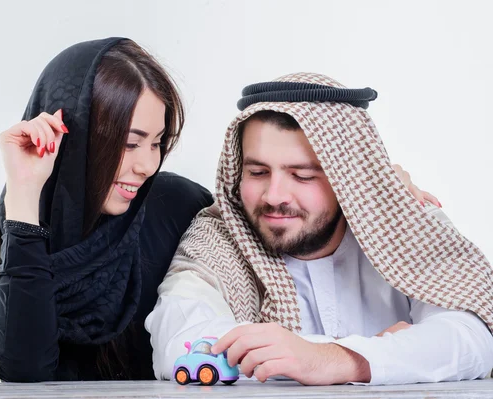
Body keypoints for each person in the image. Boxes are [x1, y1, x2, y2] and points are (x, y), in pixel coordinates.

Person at [145, 72, 493, 385]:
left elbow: (472, 339)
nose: (275, 195)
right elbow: (182, 342)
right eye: (257, 172)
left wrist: (338, 361)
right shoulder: (219, 237)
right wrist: (380, 352)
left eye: (303, 175)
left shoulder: (404, 221)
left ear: (348, 178)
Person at [0, 38, 214, 383]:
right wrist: (25, 197)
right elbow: (22, 370)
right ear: (77, 139)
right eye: (130, 143)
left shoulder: (177, 210)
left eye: (157, 143)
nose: (148, 164)